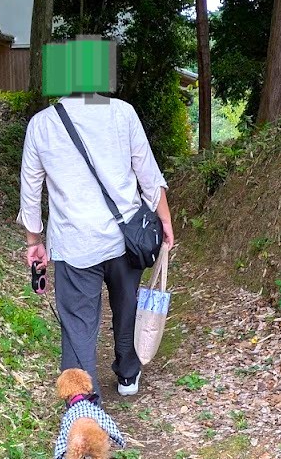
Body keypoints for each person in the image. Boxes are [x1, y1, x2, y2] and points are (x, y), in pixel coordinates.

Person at [17, 56, 174, 398]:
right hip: (126, 238)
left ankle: (83, 405)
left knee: (78, 325)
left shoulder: (41, 124)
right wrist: (165, 220)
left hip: (74, 242)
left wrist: (34, 240)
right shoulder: (122, 113)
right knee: (127, 304)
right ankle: (128, 374)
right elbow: (148, 174)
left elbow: (30, 189)